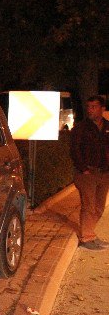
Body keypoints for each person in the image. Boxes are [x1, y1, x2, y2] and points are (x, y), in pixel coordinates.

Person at [69, 95, 109, 251]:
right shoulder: (81, 128)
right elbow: (74, 150)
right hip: (87, 173)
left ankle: (91, 234)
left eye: (94, 107)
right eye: (89, 107)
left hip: (104, 173)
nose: (90, 110)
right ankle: (86, 239)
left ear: (102, 108)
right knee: (89, 206)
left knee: (99, 208)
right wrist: (83, 169)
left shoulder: (107, 126)